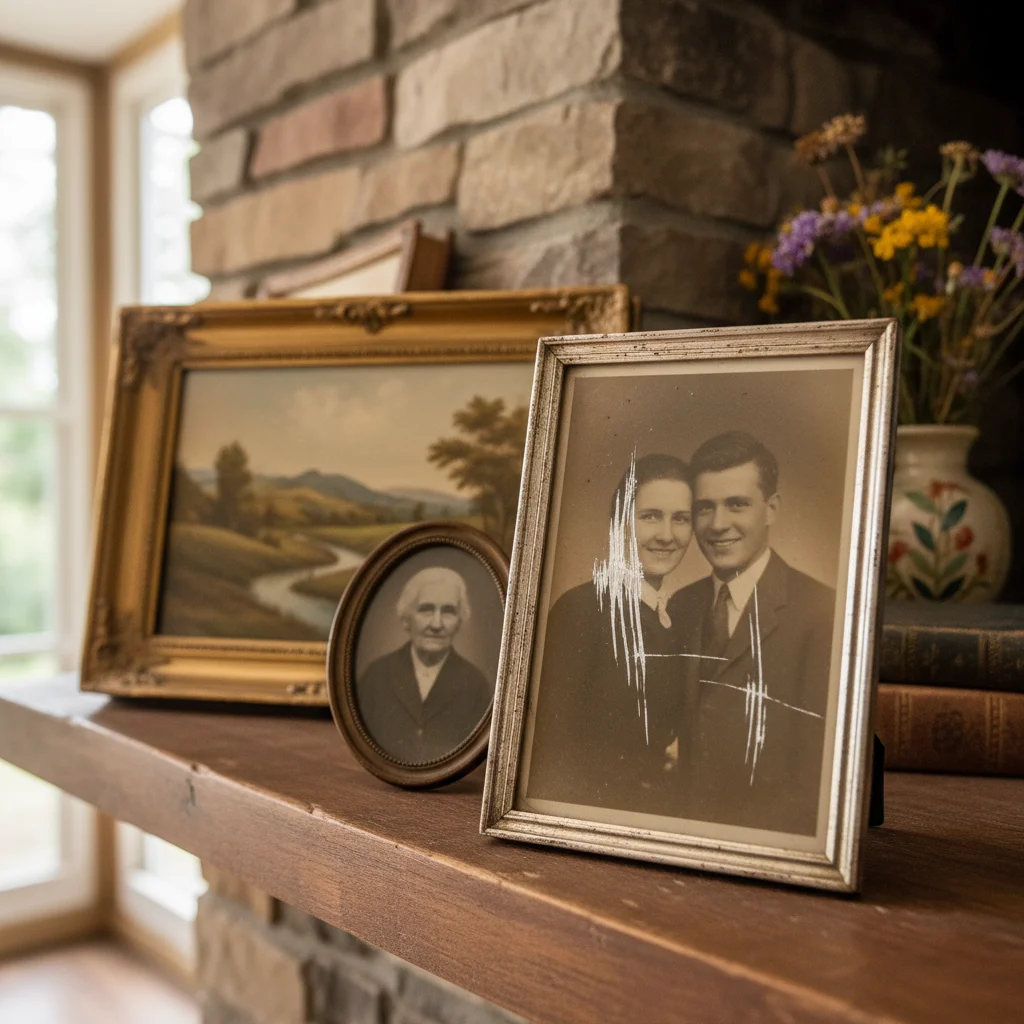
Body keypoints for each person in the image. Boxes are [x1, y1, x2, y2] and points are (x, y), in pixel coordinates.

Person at [668, 431, 835, 836]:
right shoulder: (681, 605)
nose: (718, 525)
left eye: (737, 504)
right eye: (704, 508)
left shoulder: (821, 612)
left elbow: (814, 787)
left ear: (771, 509)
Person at [525, 453, 696, 815]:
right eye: (650, 516)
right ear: (620, 523)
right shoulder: (583, 610)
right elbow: (553, 757)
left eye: (681, 519)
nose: (667, 535)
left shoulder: (677, 618)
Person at [355, 566, 492, 764]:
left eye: (448, 611)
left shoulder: (476, 685)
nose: (436, 624)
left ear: (459, 621)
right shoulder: (375, 676)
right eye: (426, 610)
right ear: (406, 618)